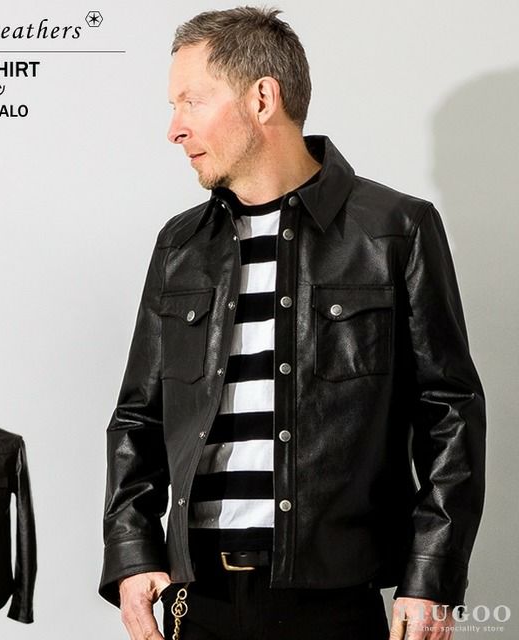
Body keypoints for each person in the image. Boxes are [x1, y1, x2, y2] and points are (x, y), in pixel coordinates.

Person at [99, 7, 485, 640]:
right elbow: (138, 417)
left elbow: (450, 412)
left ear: (262, 98)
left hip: (334, 603)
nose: (174, 128)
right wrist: (132, 551)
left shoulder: (395, 231)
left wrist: (431, 575)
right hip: (197, 600)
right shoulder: (180, 247)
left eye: (192, 101)